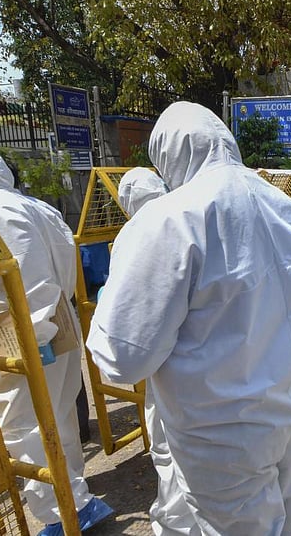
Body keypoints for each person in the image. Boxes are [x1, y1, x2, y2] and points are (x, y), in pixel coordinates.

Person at [86, 102, 291, 536]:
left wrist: (106, 312)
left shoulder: (168, 220)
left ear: (168, 155)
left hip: (222, 435)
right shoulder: (282, 204)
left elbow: (123, 358)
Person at [0, 148, 113, 535]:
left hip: (21, 328)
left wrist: (35, 339)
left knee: (22, 424)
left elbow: (30, 275)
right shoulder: (38, 207)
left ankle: (62, 514)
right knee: (58, 416)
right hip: (59, 317)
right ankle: (74, 496)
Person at [113, 168, 196, 536]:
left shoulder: (134, 233)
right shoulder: (189, 216)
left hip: (161, 364)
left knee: (168, 449)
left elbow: (129, 321)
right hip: (203, 361)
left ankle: (178, 525)